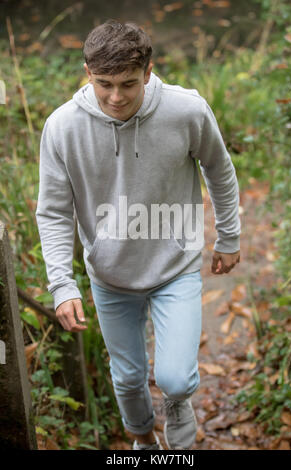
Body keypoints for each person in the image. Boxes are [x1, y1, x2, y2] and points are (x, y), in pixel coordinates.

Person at [36, 19, 241, 450]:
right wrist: (62, 284)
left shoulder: (186, 110)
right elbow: (54, 212)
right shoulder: (62, 127)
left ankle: (179, 411)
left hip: (175, 266)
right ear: (87, 71)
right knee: (127, 377)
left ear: (148, 72)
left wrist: (228, 236)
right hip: (109, 274)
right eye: (103, 83)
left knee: (175, 378)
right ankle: (143, 439)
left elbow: (219, 171)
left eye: (128, 83)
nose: (115, 96)